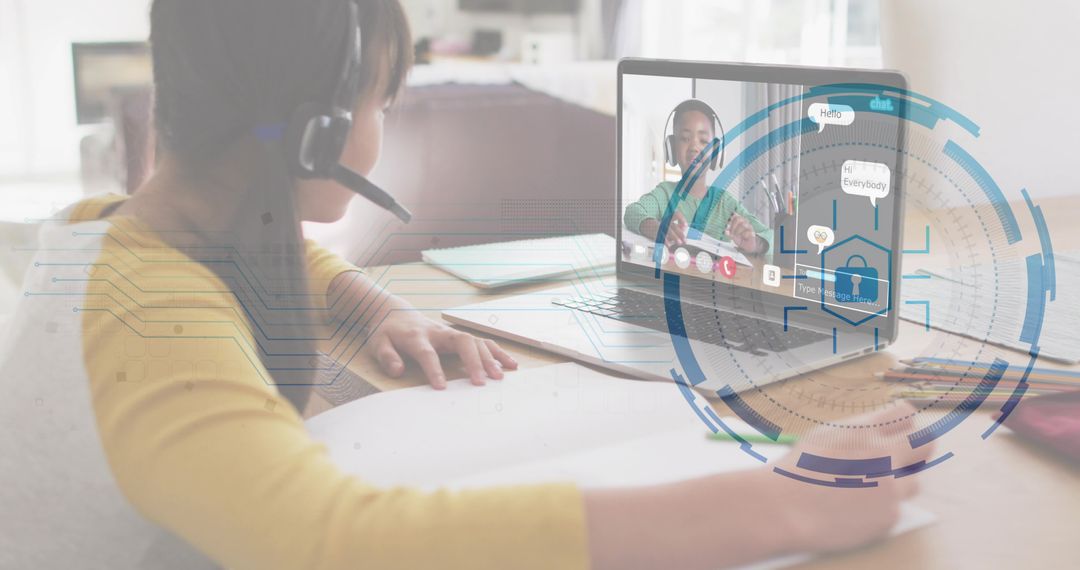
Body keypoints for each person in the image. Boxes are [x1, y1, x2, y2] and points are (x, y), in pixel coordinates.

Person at [0, 1, 932, 568]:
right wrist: (784, 503)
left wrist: (369, 304)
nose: (381, 124)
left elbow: (234, 253)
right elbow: (333, 545)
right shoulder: (150, 319)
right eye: (381, 103)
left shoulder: (119, 238)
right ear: (320, 134)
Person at [625, 100, 773, 256]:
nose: (695, 147)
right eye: (685, 138)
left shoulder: (726, 204)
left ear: (717, 152)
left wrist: (755, 243)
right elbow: (632, 212)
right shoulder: (664, 194)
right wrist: (655, 227)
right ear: (672, 148)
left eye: (703, 141)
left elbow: (770, 236)